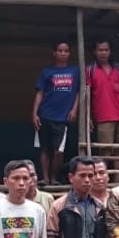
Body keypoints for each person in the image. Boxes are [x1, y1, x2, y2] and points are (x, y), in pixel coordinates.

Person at [48, 155, 108, 238]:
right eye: (82, 176)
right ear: (71, 177)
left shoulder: (99, 207)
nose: (87, 180)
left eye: (90, 175)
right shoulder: (59, 207)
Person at [32, 41, 80, 184]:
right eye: (60, 50)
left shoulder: (75, 71)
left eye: (66, 51)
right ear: (54, 53)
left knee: (58, 151)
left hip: (63, 117)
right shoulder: (47, 72)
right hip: (45, 114)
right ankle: (45, 179)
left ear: (69, 53)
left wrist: (74, 109)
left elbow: (78, 92)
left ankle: (54, 179)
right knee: (44, 149)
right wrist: (34, 113)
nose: (63, 53)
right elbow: (40, 93)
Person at [88, 39, 119, 159]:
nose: (103, 53)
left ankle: (117, 178)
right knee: (106, 151)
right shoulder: (90, 70)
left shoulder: (118, 68)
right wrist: (89, 117)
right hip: (103, 116)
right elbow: (87, 95)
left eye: (106, 50)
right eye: (100, 50)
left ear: (110, 51)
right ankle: (105, 177)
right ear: (94, 52)